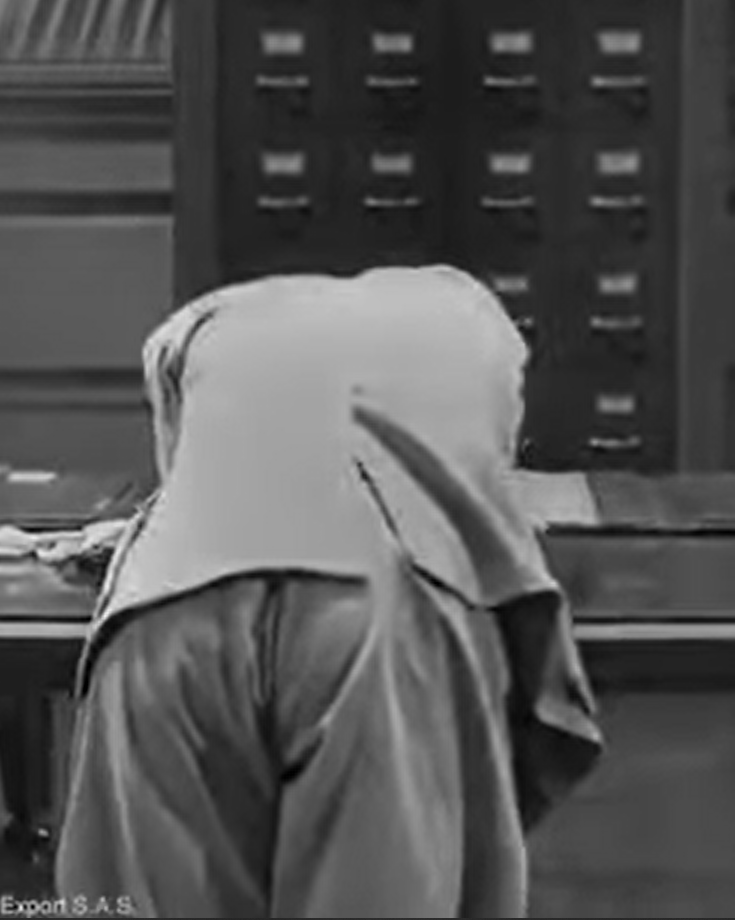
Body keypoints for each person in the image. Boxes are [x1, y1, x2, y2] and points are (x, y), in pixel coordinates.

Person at [54, 266, 603, 917]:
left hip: (166, 609)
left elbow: (181, 456)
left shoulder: (214, 318)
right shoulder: (475, 322)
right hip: (367, 617)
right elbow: (478, 499)